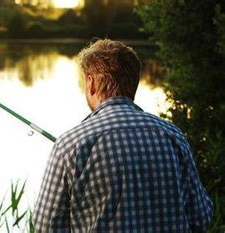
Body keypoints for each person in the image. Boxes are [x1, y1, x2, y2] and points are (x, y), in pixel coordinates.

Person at [33, 39, 213, 232]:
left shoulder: (70, 144)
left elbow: (47, 225)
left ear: (91, 83)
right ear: (134, 83)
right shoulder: (172, 136)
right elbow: (201, 217)